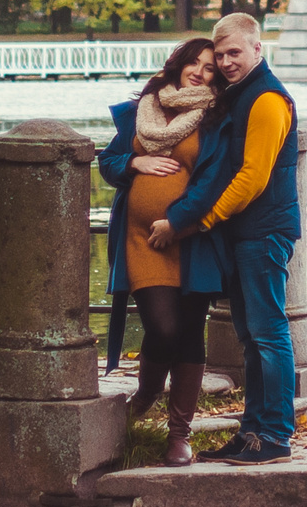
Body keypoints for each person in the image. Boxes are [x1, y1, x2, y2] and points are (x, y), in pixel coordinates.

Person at [151, 11, 299, 465]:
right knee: (252, 337)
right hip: (244, 233)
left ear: (258, 48)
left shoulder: (268, 100)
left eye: (235, 52)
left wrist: (205, 218)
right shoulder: (238, 96)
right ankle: (252, 433)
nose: (227, 61)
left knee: (270, 334)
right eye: (221, 55)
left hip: (264, 231)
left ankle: (275, 435)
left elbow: (253, 176)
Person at [96, 37, 226, 466]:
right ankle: (148, 394)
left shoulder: (214, 116)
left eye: (209, 68)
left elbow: (214, 178)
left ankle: (179, 435)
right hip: (141, 239)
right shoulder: (144, 108)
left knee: (189, 330)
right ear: (178, 64)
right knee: (162, 326)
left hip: (191, 238)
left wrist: (180, 223)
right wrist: (135, 164)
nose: (199, 71)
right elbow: (108, 161)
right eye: (194, 62)